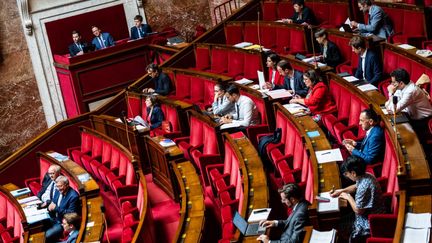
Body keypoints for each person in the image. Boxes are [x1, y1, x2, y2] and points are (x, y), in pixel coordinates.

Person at [330, 156, 385, 243]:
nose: (346, 176)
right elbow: (356, 187)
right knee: (338, 220)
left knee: (338, 226)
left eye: (346, 174)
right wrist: (341, 191)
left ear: (353, 173)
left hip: (370, 221)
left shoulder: (364, 187)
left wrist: (348, 197)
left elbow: (358, 210)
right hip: (368, 213)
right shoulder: (366, 175)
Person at [384, 68, 432, 142]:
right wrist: (391, 99)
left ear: (401, 83)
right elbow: (388, 105)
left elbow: (393, 109)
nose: (392, 85)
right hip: (412, 116)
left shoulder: (411, 91)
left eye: (393, 82)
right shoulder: (403, 86)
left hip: (423, 122)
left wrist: (391, 93)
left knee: (404, 138)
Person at [45, 176, 80, 242]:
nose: (58, 189)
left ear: (67, 185)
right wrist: (50, 205)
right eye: (57, 186)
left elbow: (71, 214)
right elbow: (54, 201)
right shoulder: (57, 190)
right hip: (53, 217)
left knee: (46, 236)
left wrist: (56, 208)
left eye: (60, 186)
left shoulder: (73, 196)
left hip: (61, 222)